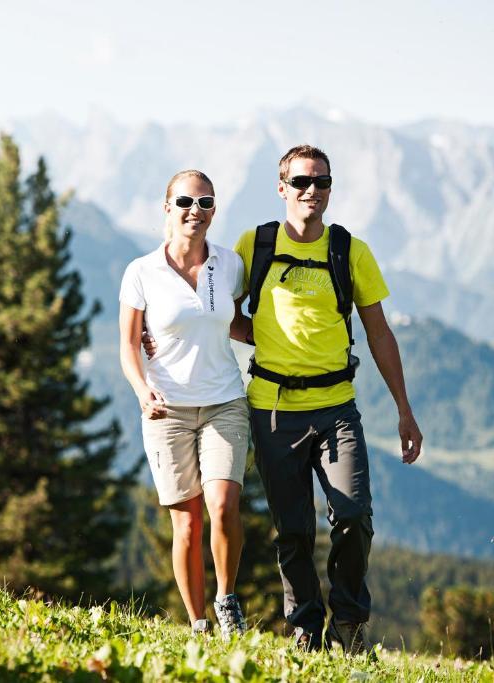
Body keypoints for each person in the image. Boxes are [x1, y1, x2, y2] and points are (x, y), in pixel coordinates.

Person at [229, 144, 423, 653]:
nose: (311, 190)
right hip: (272, 409)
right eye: (301, 182)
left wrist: (405, 410)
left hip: (337, 408)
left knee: (354, 514)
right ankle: (305, 630)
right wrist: (259, 339)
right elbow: (219, 311)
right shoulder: (256, 245)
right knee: (292, 530)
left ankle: (350, 626)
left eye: (322, 182)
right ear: (282, 188)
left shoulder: (349, 250)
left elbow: (379, 332)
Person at [119, 169, 250, 638]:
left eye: (206, 202)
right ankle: (198, 623)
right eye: (186, 202)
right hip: (167, 408)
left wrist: (289, 342)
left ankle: (226, 600)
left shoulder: (230, 264)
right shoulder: (141, 272)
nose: (196, 210)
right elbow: (129, 344)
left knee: (223, 505)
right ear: (167, 206)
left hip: (224, 402)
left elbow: (236, 321)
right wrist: (142, 391)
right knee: (187, 524)